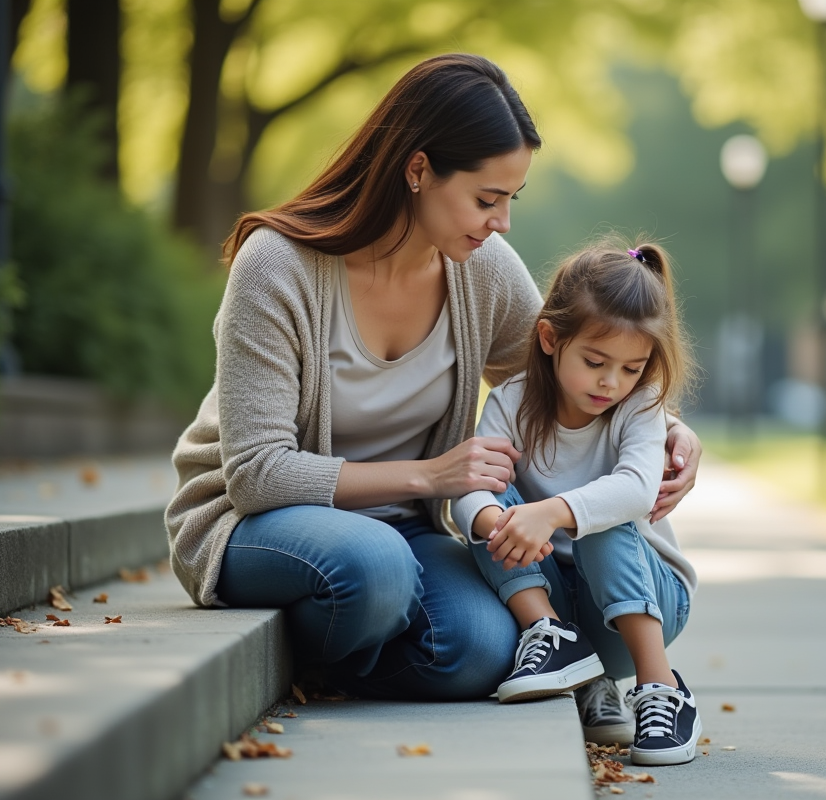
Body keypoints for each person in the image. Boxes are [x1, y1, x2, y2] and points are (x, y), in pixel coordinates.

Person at [164, 53, 703, 702]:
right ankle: (326, 634)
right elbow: (256, 474)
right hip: (258, 520)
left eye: (510, 200)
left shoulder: (482, 268)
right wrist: (429, 476)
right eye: (486, 199)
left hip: (407, 528)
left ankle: (332, 652)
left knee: (483, 648)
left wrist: (668, 428)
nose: (502, 222)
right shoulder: (277, 267)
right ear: (418, 169)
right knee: (372, 566)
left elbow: (567, 364)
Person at [451, 238, 701, 766]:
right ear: (549, 337)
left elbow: (634, 489)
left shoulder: (640, 407)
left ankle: (662, 690)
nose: (612, 382)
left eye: (632, 368)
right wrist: (498, 521)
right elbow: (470, 488)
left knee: (603, 517)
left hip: (649, 604)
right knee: (486, 491)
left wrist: (549, 512)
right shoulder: (510, 403)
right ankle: (555, 640)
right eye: (595, 361)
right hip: (559, 597)